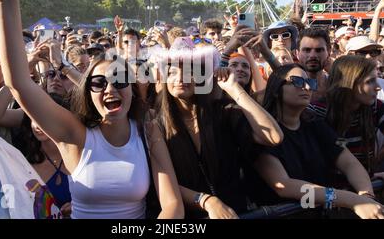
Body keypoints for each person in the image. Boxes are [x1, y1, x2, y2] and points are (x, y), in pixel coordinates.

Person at [0, 0, 184, 219]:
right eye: (98, 82)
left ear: (132, 89)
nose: (110, 88)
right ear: (88, 93)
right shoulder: (73, 133)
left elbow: (172, 205)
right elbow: (19, 82)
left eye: (120, 80)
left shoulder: (147, 130)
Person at [153, 43, 283, 219]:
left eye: (190, 71)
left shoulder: (223, 112)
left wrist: (234, 89)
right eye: (173, 71)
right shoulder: (157, 125)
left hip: (236, 213)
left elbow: (274, 137)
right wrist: (208, 202)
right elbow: (166, 184)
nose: (180, 77)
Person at [244, 64, 384, 219]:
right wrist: (350, 200)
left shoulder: (314, 124)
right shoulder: (262, 131)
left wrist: (366, 197)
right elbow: (284, 187)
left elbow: (349, 163)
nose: (306, 87)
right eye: (297, 81)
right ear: (277, 88)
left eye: (310, 83)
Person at [310, 56, 384, 176]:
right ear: (349, 83)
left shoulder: (375, 107)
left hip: (365, 185)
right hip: (327, 190)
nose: (378, 87)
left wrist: (376, 168)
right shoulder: (318, 111)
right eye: (370, 81)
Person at [297, 28, 331, 102]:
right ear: (297, 53)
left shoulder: (336, 86)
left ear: (329, 52)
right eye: (307, 50)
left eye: (319, 50)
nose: (313, 55)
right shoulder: (289, 88)